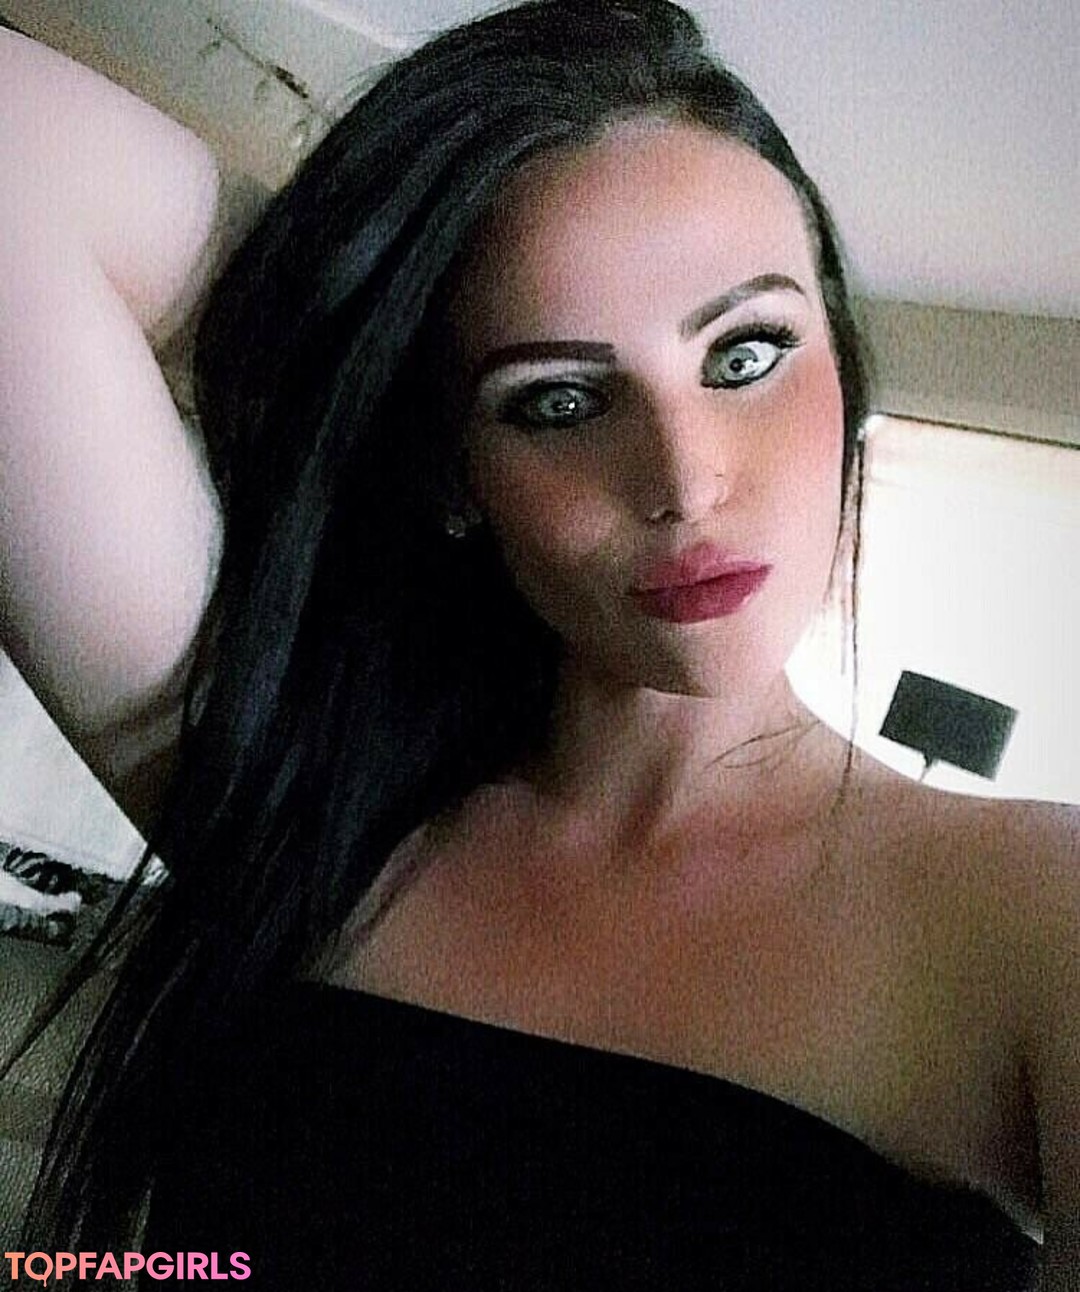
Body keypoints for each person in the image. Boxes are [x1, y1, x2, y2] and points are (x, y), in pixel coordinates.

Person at [1, 0, 1076, 1286]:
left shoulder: (1037, 914)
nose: (684, 480)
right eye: (558, 398)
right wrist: (377, 322)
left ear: (843, 377)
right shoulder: (322, 801)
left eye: (746, 355)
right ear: (454, 471)